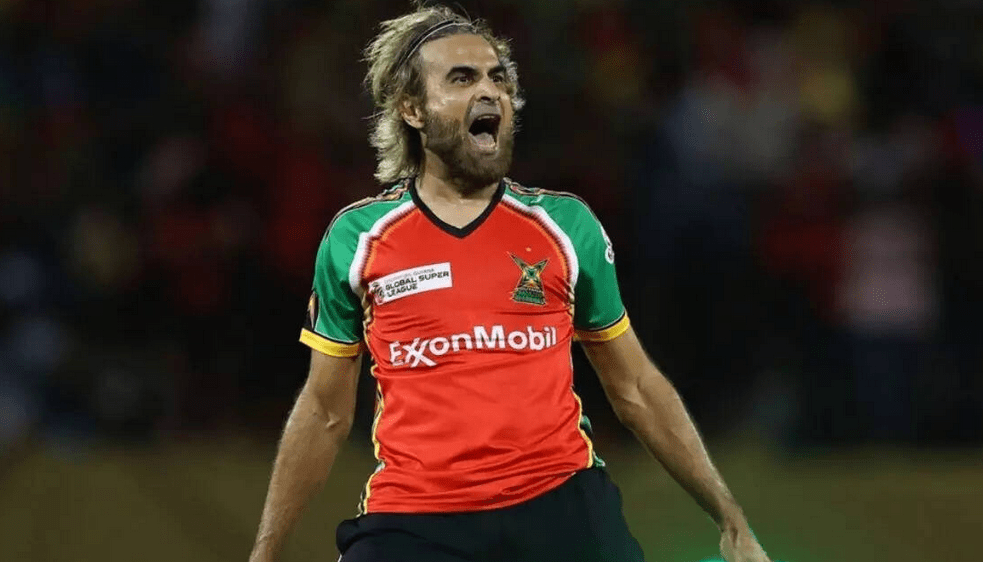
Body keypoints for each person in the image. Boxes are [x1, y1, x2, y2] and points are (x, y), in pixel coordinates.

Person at [249, 5, 771, 562]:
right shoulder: (358, 239)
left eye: (498, 78)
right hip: (414, 521)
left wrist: (729, 517)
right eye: (461, 78)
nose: (489, 91)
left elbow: (635, 387)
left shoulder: (565, 226)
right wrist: (265, 551)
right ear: (412, 109)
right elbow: (325, 411)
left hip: (561, 506)